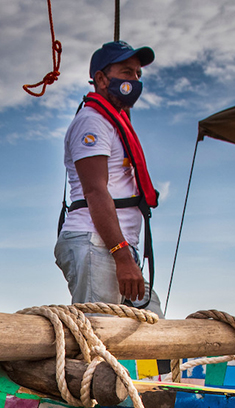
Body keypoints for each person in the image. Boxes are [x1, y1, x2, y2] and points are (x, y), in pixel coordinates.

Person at [55, 40, 163, 315]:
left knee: (154, 322)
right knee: (100, 336)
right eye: (127, 73)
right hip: (97, 243)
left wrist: (126, 254)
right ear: (101, 79)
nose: (135, 80)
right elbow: (95, 191)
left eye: (138, 74)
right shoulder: (92, 122)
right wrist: (122, 256)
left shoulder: (114, 121)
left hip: (115, 247)